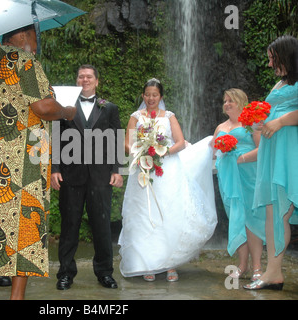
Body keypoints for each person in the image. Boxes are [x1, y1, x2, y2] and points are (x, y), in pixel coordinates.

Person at [0, 24, 76, 300]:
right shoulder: (24, 60)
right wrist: (66, 111)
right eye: (34, 35)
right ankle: (17, 295)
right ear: (22, 35)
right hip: (21, 164)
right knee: (24, 227)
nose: (36, 41)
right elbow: (42, 107)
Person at [118, 78, 217, 282]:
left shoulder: (169, 116)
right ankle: (147, 263)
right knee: (144, 215)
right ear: (143, 96)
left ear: (160, 97)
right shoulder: (135, 117)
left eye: (155, 95)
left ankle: (170, 263)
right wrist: (142, 151)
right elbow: (127, 143)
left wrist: (161, 153)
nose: (151, 98)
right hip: (143, 169)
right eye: (147, 94)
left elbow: (180, 142)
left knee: (169, 213)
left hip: (168, 170)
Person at [51, 64, 123, 290]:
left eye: (89, 76)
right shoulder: (64, 108)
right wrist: (54, 169)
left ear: (97, 81)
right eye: (81, 76)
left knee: (102, 226)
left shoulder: (109, 108)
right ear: (77, 81)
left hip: (101, 176)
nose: (85, 80)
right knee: (69, 226)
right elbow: (56, 137)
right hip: (71, 176)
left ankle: (105, 272)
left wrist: (116, 170)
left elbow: (116, 139)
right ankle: (65, 273)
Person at [244, 35, 298, 290]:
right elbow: (269, 111)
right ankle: (272, 271)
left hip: (288, 151)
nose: (269, 64)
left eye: (271, 58)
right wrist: (261, 122)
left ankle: (273, 272)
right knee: (272, 212)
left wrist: (279, 121)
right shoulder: (280, 83)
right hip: (272, 151)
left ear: (285, 55)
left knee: (279, 212)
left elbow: (284, 116)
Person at [212, 89, 264, 281]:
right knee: (236, 219)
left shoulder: (251, 123)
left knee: (251, 220)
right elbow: (208, 152)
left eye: (231, 101)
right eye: (225, 101)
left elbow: (262, 150)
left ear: (241, 102)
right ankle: (243, 266)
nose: (226, 104)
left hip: (248, 176)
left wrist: (240, 158)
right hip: (227, 179)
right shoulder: (220, 127)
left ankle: (257, 267)